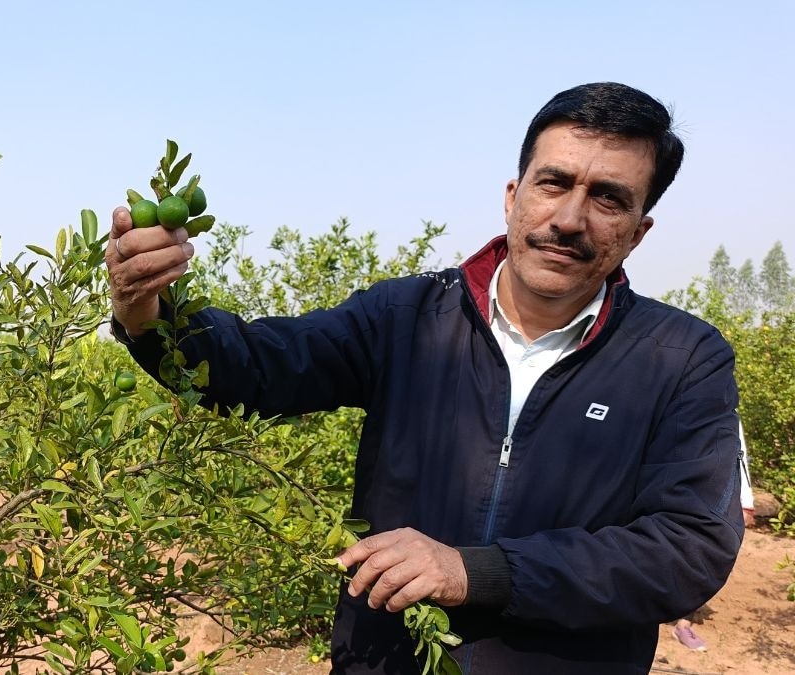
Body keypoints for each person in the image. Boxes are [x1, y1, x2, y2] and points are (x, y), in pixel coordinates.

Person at [104, 82, 745, 674]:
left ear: (638, 231)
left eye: (609, 198)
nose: (571, 218)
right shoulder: (406, 318)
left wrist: (475, 572)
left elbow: (689, 549)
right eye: (553, 183)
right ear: (513, 194)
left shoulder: (683, 357)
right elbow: (258, 368)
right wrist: (146, 313)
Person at [671, 421, 755, 652]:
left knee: (700, 555)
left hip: (705, 493)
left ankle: (683, 622)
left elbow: (737, 449)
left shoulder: (719, 395)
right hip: (664, 484)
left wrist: (746, 500)